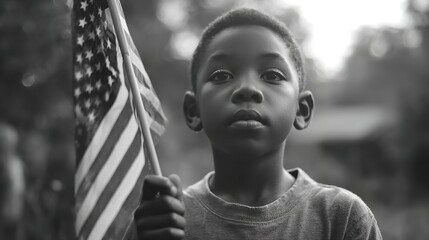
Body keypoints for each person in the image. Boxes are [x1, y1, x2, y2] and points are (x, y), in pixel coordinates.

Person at [134, 8, 382, 240]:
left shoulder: (341, 216)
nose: (247, 89)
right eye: (221, 76)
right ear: (193, 110)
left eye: (272, 75)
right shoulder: (164, 219)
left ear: (302, 109)